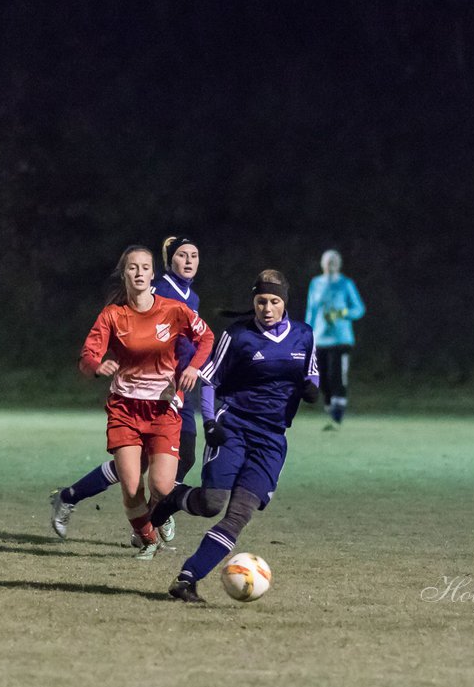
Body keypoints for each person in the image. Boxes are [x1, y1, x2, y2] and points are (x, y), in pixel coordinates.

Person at [147, 269, 318, 602]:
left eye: (273, 301)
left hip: (271, 439)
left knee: (239, 515)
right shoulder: (238, 335)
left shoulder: (304, 334)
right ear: (253, 302)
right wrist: (211, 423)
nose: (266, 308)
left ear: (285, 303)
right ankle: (173, 499)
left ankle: (187, 579)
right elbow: (209, 379)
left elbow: (311, 370)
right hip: (234, 427)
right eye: (260, 301)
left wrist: (312, 387)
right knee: (212, 504)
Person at [50, 236, 203, 540]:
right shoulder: (157, 289)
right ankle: (150, 518)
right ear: (167, 262)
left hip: (174, 391)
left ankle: (78, 498)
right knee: (145, 466)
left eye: (194, 256)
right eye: (181, 256)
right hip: (146, 396)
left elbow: (199, 339)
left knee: (173, 459)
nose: (188, 261)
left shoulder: (190, 296)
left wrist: (197, 368)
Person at [305, 249, 365, 428]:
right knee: (321, 378)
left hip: (341, 340)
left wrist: (342, 313)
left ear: (339, 264)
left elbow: (359, 309)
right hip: (320, 339)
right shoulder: (315, 283)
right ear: (322, 264)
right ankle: (331, 407)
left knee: (336, 376)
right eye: (328, 261)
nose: (330, 264)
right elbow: (311, 310)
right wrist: (306, 333)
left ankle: (338, 415)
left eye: (334, 261)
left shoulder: (346, 284)